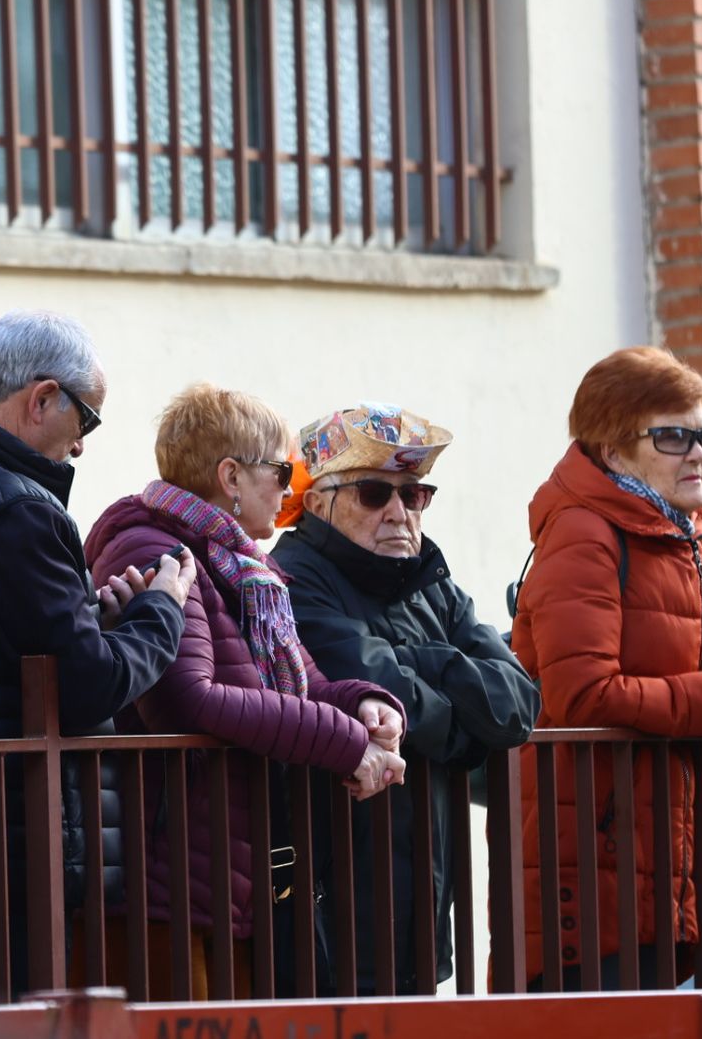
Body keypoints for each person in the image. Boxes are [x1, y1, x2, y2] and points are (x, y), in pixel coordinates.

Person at [0, 310, 197, 1004]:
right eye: (87, 419)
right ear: (42, 398)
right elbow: (84, 686)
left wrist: (99, 618)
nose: (81, 445)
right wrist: (162, 609)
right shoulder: (21, 508)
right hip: (21, 841)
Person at [82, 384, 408, 999]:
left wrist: (368, 706)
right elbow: (190, 696)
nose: (291, 488)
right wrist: (346, 744)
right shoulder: (155, 548)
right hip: (169, 869)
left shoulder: (241, 565)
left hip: (228, 863)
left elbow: (304, 684)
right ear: (230, 475)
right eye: (282, 470)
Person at [509, 346, 702, 991]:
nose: (698, 452)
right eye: (672, 436)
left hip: (667, 857)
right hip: (586, 861)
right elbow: (582, 694)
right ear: (612, 452)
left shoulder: (678, 537)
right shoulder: (584, 533)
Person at [271, 403, 540, 994]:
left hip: (420, 901)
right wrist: (455, 699)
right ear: (317, 502)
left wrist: (428, 666)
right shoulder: (291, 577)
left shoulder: (430, 580)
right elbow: (374, 685)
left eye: (415, 495)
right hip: (328, 898)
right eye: (373, 493)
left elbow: (518, 702)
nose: (399, 512)